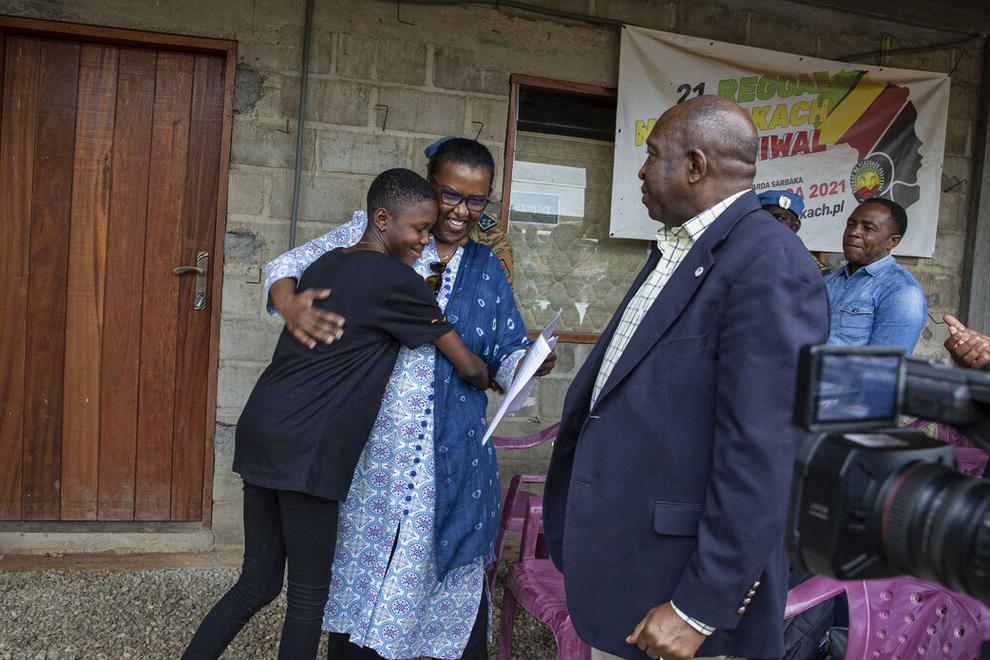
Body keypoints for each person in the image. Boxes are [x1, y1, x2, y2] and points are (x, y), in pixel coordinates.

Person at [542, 95, 829, 660]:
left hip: (682, 608)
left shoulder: (769, 264)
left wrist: (699, 607)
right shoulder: (684, 249)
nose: (642, 171)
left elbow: (764, 455)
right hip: (637, 574)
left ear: (695, 166)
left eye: (652, 155)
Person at [263, 138, 555, 659]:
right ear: (428, 187)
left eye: (477, 200)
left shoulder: (486, 267)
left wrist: (526, 364)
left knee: (438, 576)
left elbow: (504, 349)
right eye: (451, 195)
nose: (461, 211)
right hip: (373, 451)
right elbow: (286, 265)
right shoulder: (377, 234)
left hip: (451, 455)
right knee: (366, 569)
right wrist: (290, 306)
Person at [183, 169, 490, 659]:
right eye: (418, 229)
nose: (424, 241)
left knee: (257, 583)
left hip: (263, 430)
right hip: (309, 450)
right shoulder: (400, 283)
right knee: (308, 597)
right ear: (382, 219)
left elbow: (290, 281)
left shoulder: (325, 263)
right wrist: (497, 373)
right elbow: (469, 367)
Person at [824, 198, 927, 356]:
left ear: (892, 241)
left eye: (868, 228)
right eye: (851, 224)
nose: (853, 232)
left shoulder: (902, 292)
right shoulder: (828, 281)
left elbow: (882, 366)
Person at [758, 189, 830, 275]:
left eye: (779, 218)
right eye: (763, 218)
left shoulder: (812, 270)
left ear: (795, 226)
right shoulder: (747, 257)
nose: (768, 223)